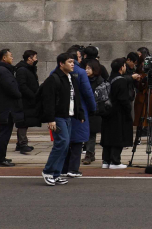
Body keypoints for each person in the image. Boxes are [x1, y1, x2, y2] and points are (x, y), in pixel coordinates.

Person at [39, 52, 79, 185]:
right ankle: (48, 171)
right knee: (61, 143)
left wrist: (80, 113)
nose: (72, 64)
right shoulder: (53, 79)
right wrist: (51, 119)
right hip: (58, 117)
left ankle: (56, 174)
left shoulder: (71, 77)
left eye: (73, 62)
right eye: (69, 62)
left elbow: (74, 98)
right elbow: (48, 100)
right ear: (61, 64)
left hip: (67, 116)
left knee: (65, 145)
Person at [65, 46, 97, 178]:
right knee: (77, 140)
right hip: (79, 110)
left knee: (64, 140)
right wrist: (93, 108)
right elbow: (88, 93)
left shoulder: (56, 72)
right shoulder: (80, 72)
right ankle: (73, 168)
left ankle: (63, 167)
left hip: (62, 111)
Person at [100, 58, 134, 169]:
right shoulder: (121, 81)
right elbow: (123, 100)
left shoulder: (109, 79)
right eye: (124, 66)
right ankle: (115, 161)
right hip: (118, 113)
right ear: (121, 68)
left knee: (108, 136)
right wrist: (128, 111)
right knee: (118, 136)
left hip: (107, 112)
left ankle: (106, 160)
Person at [0, 49, 22, 167]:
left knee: (2, 132)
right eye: (10, 56)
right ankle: (0, 159)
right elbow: (11, 88)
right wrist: (19, 94)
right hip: (7, 108)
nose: (12, 57)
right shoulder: (4, 71)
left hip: (3, 107)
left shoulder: (1, 70)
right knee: (4, 133)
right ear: (4, 58)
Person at [14, 50, 40, 154]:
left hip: (29, 100)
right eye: (35, 57)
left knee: (25, 122)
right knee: (23, 122)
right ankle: (22, 144)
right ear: (29, 58)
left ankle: (20, 143)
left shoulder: (29, 69)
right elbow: (22, 86)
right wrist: (33, 96)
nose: (36, 59)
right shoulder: (22, 70)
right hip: (25, 101)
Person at [83, 57, 105, 165]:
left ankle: (89, 154)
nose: (86, 70)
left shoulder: (99, 81)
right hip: (85, 110)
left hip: (95, 111)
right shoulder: (84, 79)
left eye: (89, 68)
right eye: (86, 68)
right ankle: (90, 154)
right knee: (87, 134)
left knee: (91, 134)